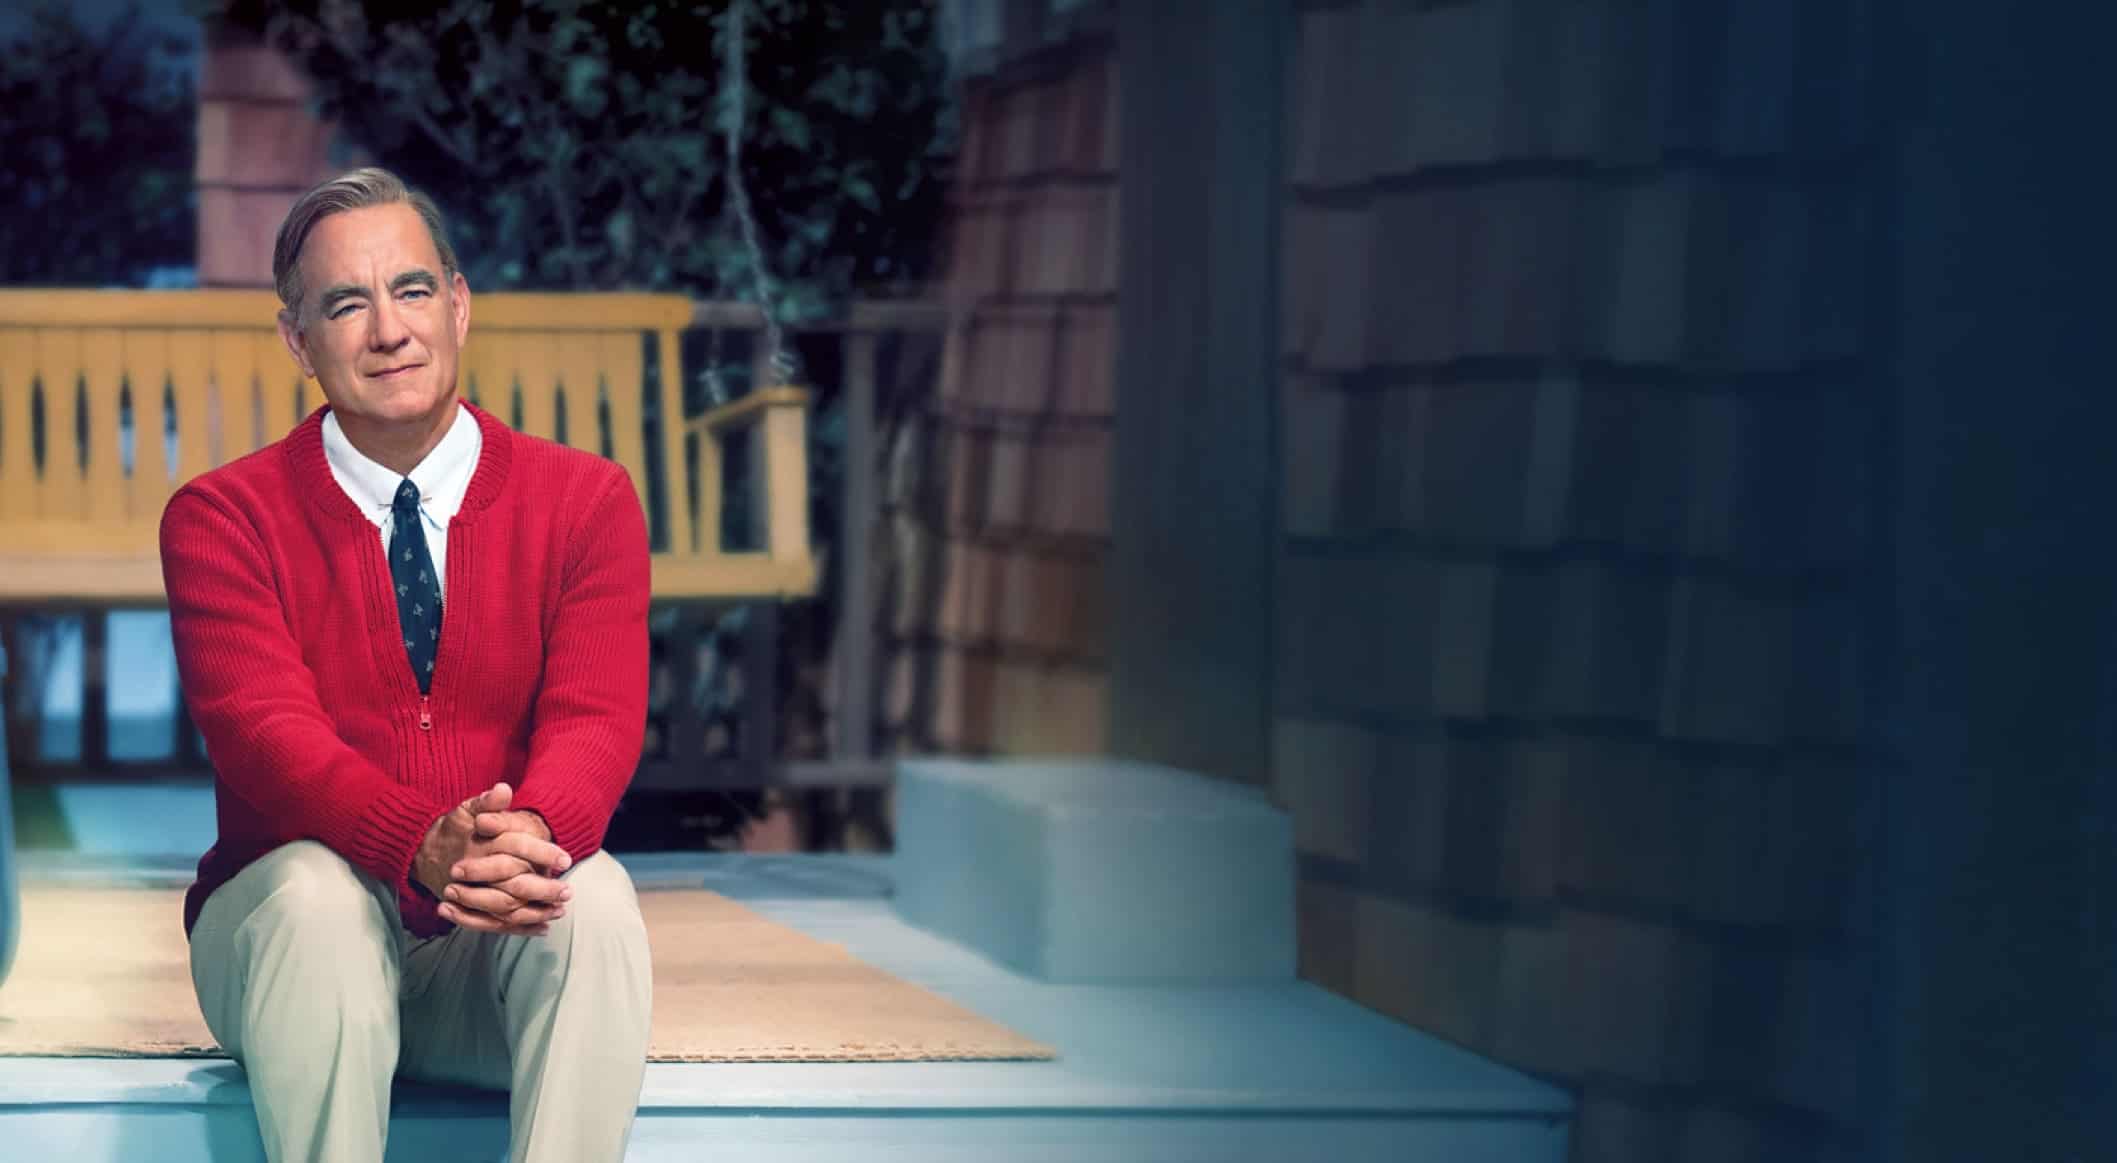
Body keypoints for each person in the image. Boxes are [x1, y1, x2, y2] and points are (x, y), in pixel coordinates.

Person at [159, 167, 654, 1163]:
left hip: (487, 956)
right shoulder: (222, 518)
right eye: (347, 304)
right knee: (315, 895)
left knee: (593, 897)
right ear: (298, 341)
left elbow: (594, 720)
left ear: (457, 306)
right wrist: (415, 839)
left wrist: (525, 835)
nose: (389, 330)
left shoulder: (586, 501)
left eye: (412, 289)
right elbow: (267, 736)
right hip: (291, 954)